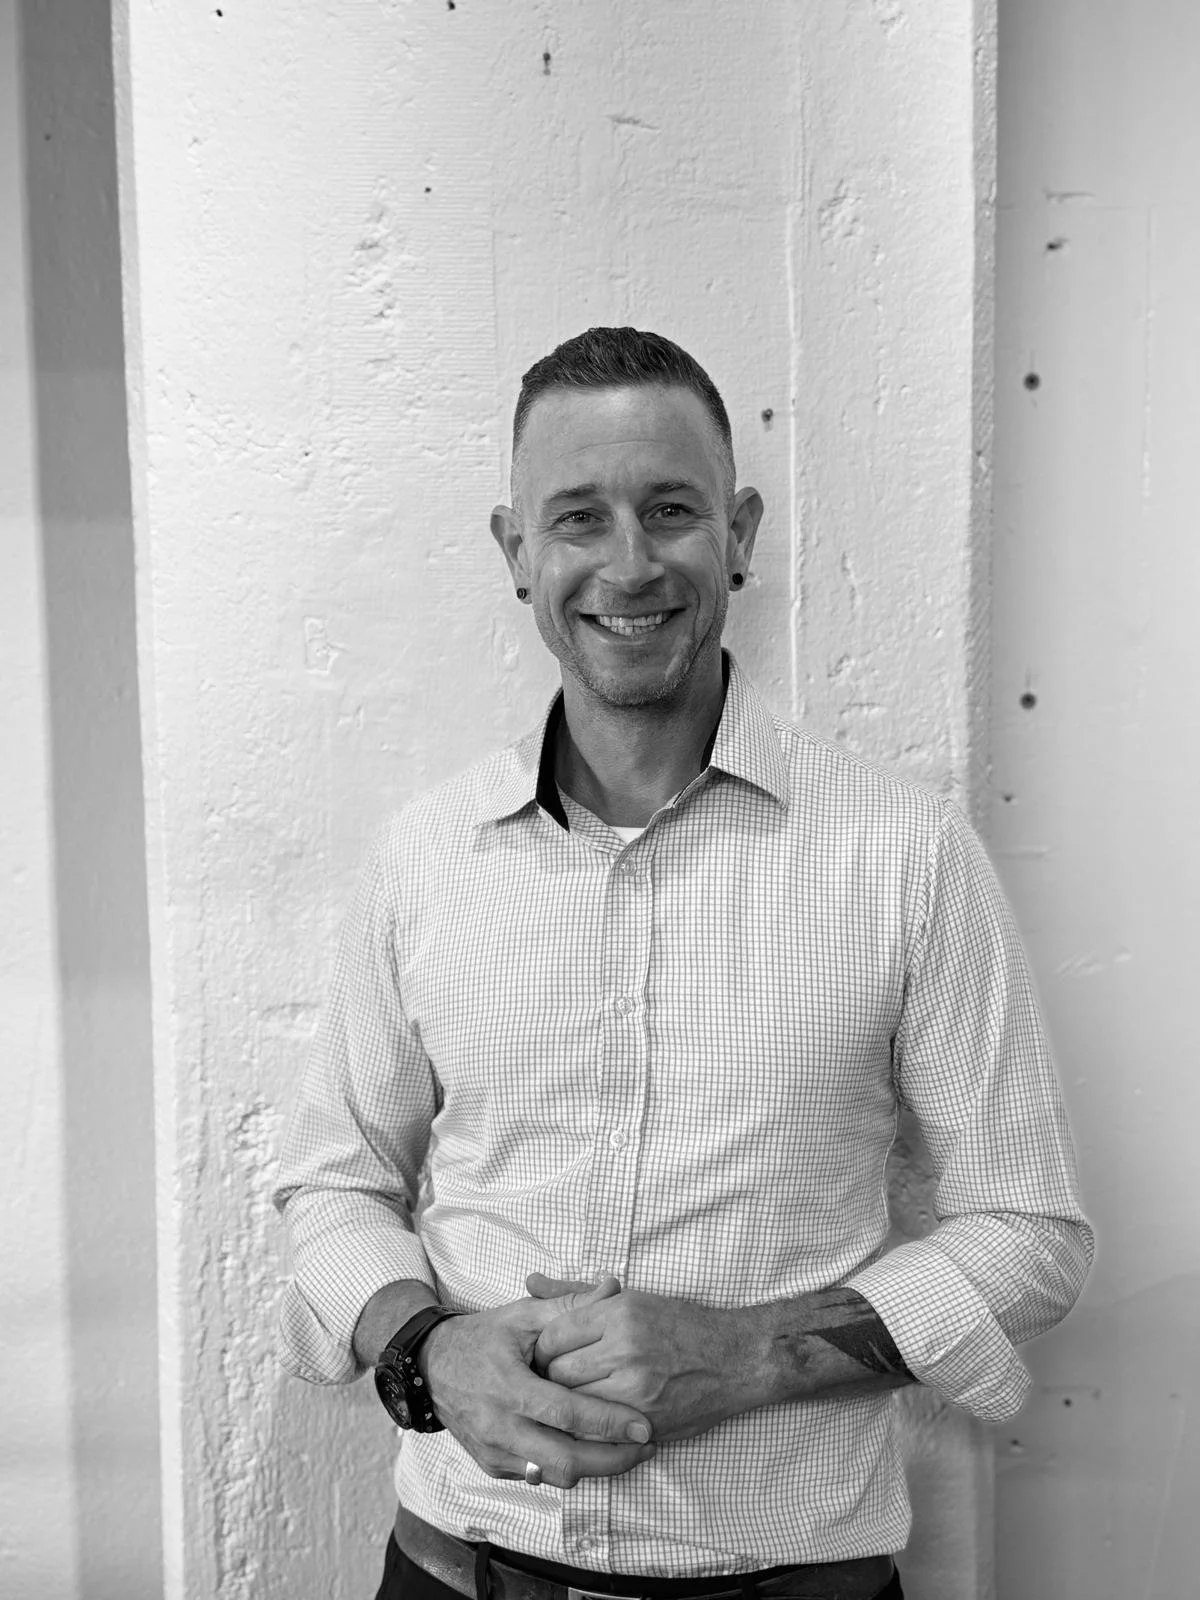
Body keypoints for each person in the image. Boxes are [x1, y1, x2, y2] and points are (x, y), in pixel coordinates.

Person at [274, 327, 1092, 1600]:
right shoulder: (422, 860)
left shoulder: (905, 851)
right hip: (453, 1571)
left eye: (671, 509)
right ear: (516, 552)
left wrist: (754, 1353)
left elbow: (1030, 1230)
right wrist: (428, 1352)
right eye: (578, 518)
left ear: (740, 533)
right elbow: (334, 1185)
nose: (629, 563)